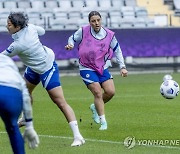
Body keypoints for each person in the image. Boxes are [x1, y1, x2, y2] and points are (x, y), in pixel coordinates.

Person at [1, 12, 85, 147]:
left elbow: (2, 57)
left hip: (47, 67)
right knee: (25, 92)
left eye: (9, 24)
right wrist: (31, 28)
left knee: (60, 101)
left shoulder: (18, 45)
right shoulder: (30, 28)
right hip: (34, 67)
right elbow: (43, 31)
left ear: (17, 27)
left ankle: (78, 136)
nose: (7, 26)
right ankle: (24, 119)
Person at [65, 11, 128, 130]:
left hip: (102, 67)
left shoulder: (109, 34)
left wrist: (122, 67)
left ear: (101, 20)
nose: (96, 23)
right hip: (86, 67)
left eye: (98, 20)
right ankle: (103, 121)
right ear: (89, 22)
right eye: (93, 21)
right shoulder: (83, 31)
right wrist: (70, 45)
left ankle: (95, 107)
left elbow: (117, 50)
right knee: (98, 92)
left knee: (110, 92)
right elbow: (72, 38)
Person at [0, 53, 39, 154]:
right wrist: (29, 125)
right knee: (13, 128)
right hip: (13, 94)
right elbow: (25, 94)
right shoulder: (8, 61)